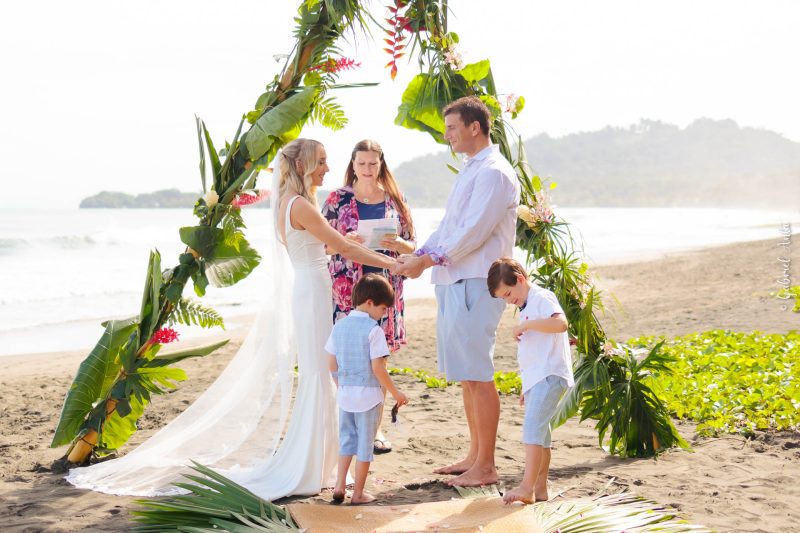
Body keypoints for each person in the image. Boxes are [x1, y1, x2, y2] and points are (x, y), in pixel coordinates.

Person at [66, 138, 398, 500]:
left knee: (319, 373)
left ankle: (321, 463)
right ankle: (312, 466)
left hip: (308, 288)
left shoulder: (287, 204)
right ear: (302, 166)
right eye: (321, 161)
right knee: (320, 374)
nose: (327, 168)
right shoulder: (302, 205)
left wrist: (338, 241)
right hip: (313, 292)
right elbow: (345, 249)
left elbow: (323, 246)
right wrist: (393, 263)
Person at [396, 96, 520, 487]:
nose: (447, 135)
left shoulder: (495, 173)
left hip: (478, 280)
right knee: (467, 374)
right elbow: (450, 226)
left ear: (474, 127)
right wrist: (416, 255)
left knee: (479, 373)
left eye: (452, 128)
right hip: (454, 280)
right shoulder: (471, 170)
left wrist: (426, 261)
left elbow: (473, 233)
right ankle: (474, 455)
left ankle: (487, 465)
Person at [322, 139, 415, 454]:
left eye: (373, 164)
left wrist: (397, 243)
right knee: (347, 357)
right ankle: (348, 425)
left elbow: (414, 246)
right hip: (347, 289)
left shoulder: (395, 199)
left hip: (383, 287)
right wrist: (343, 241)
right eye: (361, 164)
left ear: (381, 164)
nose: (367, 169)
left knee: (378, 357)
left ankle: (374, 432)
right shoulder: (336, 199)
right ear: (353, 164)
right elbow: (322, 247)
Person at [486, 257, 574, 504]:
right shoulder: (527, 305)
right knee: (541, 435)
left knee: (532, 432)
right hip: (539, 378)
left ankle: (527, 487)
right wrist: (527, 386)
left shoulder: (541, 298)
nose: (507, 300)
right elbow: (534, 352)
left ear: (520, 279)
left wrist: (528, 326)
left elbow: (561, 323)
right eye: (503, 297)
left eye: (508, 293)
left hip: (549, 375)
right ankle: (540, 488)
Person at [326, 274, 409, 505]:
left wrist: (341, 385)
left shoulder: (339, 327)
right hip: (369, 398)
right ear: (370, 303)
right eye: (383, 309)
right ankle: (358, 493)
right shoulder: (374, 331)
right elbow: (378, 368)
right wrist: (395, 393)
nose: (384, 314)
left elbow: (331, 363)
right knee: (364, 444)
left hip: (346, 396)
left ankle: (340, 485)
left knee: (347, 440)